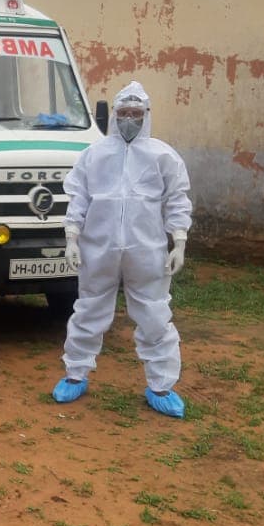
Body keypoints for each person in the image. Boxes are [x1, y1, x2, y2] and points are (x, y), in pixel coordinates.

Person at [51, 81, 192, 418]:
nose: (130, 119)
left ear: (147, 116)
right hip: (97, 248)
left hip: (146, 250)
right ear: (114, 116)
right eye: (124, 113)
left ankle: (161, 384)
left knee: (155, 314)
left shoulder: (163, 156)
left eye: (137, 114)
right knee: (88, 310)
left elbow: (177, 199)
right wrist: (72, 237)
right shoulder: (94, 155)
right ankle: (75, 374)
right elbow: (79, 198)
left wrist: (180, 241)